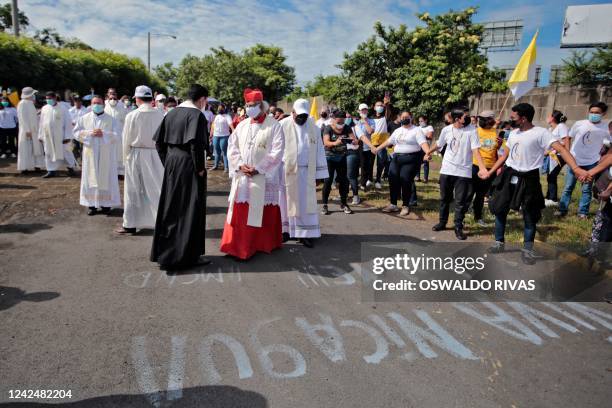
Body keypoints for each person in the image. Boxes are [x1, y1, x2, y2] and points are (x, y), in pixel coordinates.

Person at [486, 103, 588, 264]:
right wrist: (490, 172)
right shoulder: (512, 133)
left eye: (513, 118)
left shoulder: (541, 133)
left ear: (524, 118)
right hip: (509, 175)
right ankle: (499, 242)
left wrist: (576, 168)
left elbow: (561, 149)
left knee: (530, 215)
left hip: (529, 179)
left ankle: (527, 250)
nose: (510, 120)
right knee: (500, 209)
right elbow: (504, 155)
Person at [220, 88, 285, 260]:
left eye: (253, 105)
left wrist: (259, 168)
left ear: (262, 106)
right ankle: (236, 246)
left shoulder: (274, 125)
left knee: (261, 211)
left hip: (262, 176)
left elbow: (277, 151)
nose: (249, 108)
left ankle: (259, 245)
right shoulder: (241, 125)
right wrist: (240, 165)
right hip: (243, 176)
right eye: (247, 105)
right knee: (240, 212)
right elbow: (232, 147)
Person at [151, 84, 210, 270]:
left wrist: (168, 162)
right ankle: (188, 256)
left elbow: (158, 143)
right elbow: (195, 145)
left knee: (170, 208)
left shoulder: (171, 113)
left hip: (172, 164)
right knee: (190, 209)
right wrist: (200, 168)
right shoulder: (197, 115)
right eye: (205, 101)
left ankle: (166, 254)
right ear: (201, 99)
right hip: (189, 166)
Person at [426, 106, 489, 240]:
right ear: (456, 119)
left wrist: (483, 168)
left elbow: (476, 150)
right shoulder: (446, 130)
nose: (468, 118)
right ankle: (442, 223)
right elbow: (439, 143)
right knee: (444, 199)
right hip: (447, 169)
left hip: (463, 172)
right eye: (465, 116)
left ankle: (458, 227)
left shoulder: (472, 131)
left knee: (460, 201)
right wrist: (428, 152)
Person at [115, 85, 165, 234]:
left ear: (137, 99)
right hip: (155, 154)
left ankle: (130, 223)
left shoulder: (132, 115)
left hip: (136, 154)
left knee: (133, 190)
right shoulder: (160, 114)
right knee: (157, 188)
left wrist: (125, 159)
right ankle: (160, 221)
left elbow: (126, 139)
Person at [279, 98, 329, 247]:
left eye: (304, 116)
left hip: (306, 171)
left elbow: (320, 151)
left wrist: (320, 175)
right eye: (299, 115)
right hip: (286, 170)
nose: (301, 118)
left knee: (305, 204)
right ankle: (285, 231)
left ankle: (306, 233)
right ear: (292, 113)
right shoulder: (282, 125)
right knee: (286, 201)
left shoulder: (314, 128)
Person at [557, 102, 610, 218]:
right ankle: (562, 209)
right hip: (575, 161)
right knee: (567, 187)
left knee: (586, 189)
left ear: (603, 114)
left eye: (597, 113)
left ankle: (583, 212)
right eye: (591, 112)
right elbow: (568, 137)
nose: (593, 114)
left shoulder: (606, 127)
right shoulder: (579, 124)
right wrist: (568, 153)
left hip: (592, 163)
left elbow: (609, 143)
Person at [375, 111, 431, 216]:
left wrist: (428, 152)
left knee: (405, 180)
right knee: (393, 179)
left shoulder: (416, 130)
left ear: (411, 117)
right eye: (403, 117)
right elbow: (389, 141)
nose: (404, 118)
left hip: (411, 159)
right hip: (396, 158)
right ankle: (393, 204)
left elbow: (423, 143)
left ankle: (405, 205)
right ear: (400, 118)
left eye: (407, 117)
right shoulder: (397, 130)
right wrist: (377, 148)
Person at [73, 95, 121, 215]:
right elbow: (76, 133)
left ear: (103, 105)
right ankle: (92, 205)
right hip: (90, 153)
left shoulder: (111, 119)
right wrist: (89, 133)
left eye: (99, 103)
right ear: (91, 104)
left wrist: (103, 134)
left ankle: (106, 204)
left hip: (106, 154)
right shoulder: (84, 118)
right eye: (94, 103)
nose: (97, 105)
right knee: (91, 177)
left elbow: (118, 134)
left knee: (106, 177)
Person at [469, 110, 500, 226]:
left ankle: (478, 216)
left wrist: (499, 144)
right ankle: (461, 216)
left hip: (489, 168)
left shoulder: (495, 132)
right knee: (469, 192)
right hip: (475, 166)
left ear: (490, 120)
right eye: (479, 118)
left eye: (483, 119)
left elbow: (496, 149)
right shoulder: (475, 131)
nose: (480, 121)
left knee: (481, 194)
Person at [321, 110, 356, 215]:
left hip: (342, 157)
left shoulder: (347, 127)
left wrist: (353, 141)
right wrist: (336, 142)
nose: (341, 124)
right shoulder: (328, 128)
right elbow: (326, 142)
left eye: (342, 121)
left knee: (344, 181)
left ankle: (344, 203)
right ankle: (325, 205)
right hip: (329, 158)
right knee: (328, 180)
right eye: (339, 122)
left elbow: (353, 138)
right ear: (333, 119)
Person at [38, 91, 76, 178]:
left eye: (50, 98)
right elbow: (41, 122)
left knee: (65, 152)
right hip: (48, 135)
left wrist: (67, 136)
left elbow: (67, 122)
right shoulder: (44, 108)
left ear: (55, 98)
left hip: (61, 135)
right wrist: (40, 135)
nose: (48, 100)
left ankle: (70, 168)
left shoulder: (63, 108)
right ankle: (51, 170)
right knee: (48, 152)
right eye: (47, 99)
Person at [544, 110, 569, 206]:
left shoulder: (561, 126)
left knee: (552, 175)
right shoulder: (550, 129)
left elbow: (564, 142)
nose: (547, 118)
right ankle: (548, 197)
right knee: (549, 176)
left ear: (553, 118)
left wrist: (552, 151)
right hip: (551, 156)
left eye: (549, 116)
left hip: (559, 155)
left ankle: (553, 199)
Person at [16, 87, 44, 172]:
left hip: (34, 129)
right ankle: (24, 167)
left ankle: (37, 165)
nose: (33, 96)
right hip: (26, 131)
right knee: (26, 148)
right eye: (32, 94)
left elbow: (31, 116)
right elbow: (22, 118)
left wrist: (37, 113)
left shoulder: (30, 103)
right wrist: (27, 130)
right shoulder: (22, 103)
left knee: (36, 148)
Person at [105, 88, 128, 176]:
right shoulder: (104, 106)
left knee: (119, 154)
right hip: (108, 135)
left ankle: (120, 172)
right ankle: (109, 171)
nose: (113, 100)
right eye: (111, 98)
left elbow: (126, 120)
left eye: (114, 98)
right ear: (107, 97)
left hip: (119, 134)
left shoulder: (122, 107)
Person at [371, 97, 392, 189]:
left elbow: (388, 113)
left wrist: (386, 105)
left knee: (380, 163)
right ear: (374, 107)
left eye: (381, 105)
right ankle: (368, 179)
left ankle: (378, 180)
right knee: (370, 163)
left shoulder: (385, 118)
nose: (380, 107)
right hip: (371, 143)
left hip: (382, 144)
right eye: (378, 105)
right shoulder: (370, 118)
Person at [355, 103, 376, 194]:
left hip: (368, 147)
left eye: (365, 110)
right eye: (362, 110)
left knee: (367, 166)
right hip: (358, 147)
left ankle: (364, 183)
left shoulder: (371, 121)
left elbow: (370, 131)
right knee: (360, 166)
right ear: (359, 111)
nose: (364, 111)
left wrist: (365, 121)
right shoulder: (356, 122)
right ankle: (360, 183)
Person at [211, 103, 234, 171]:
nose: (219, 109)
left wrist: (233, 130)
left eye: (221, 108)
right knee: (217, 152)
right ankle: (215, 165)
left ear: (224, 108)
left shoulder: (227, 116)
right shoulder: (217, 116)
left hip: (224, 136)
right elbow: (213, 125)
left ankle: (226, 167)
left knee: (224, 152)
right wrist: (211, 133)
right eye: (219, 108)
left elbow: (230, 124)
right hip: (216, 136)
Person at [417, 115, 434, 183]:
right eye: (419, 121)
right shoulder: (418, 128)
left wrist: (422, 135)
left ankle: (425, 178)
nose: (420, 122)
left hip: (426, 147)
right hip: (418, 147)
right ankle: (417, 177)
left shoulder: (429, 127)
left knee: (425, 162)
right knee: (417, 162)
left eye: (421, 121)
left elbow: (430, 136)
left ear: (426, 120)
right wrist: (424, 135)